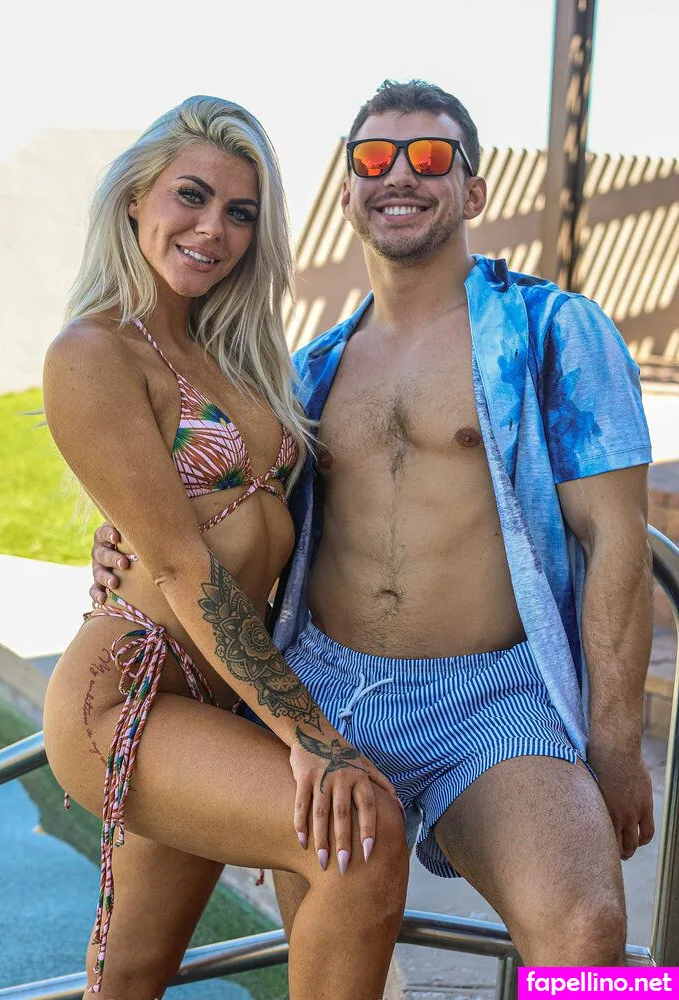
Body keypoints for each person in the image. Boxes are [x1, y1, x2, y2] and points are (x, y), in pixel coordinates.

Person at [90, 80, 655, 967]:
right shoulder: (304, 371)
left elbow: (616, 539)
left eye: (429, 156)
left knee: (586, 934)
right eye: (373, 158)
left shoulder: (553, 330)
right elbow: (214, 509)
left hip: (490, 702)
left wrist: (615, 747)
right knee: (331, 955)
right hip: (319, 688)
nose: (399, 175)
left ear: (473, 190)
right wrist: (122, 535)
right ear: (348, 193)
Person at [42, 94, 408, 1000]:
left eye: (240, 212)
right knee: (359, 839)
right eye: (192, 197)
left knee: (130, 977)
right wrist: (313, 738)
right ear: (136, 198)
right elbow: (180, 562)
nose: (214, 229)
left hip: (217, 693)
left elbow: (223, 517)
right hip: (126, 696)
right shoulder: (92, 351)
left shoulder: (235, 354)